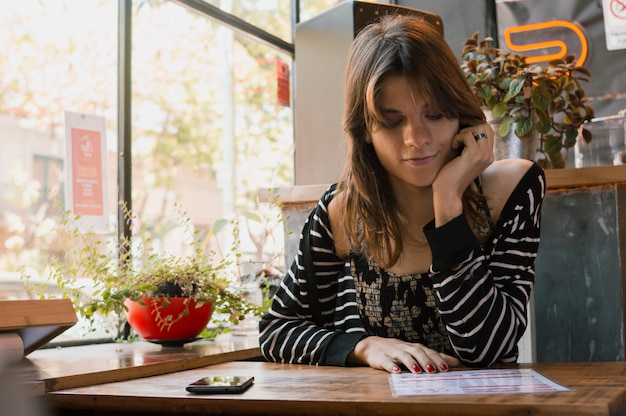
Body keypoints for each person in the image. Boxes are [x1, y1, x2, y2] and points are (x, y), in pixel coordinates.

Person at [259, 14, 545, 375]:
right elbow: (276, 330)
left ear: (461, 116)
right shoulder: (343, 211)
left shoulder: (511, 189)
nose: (417, 138)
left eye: (436, 114)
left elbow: (487, 347)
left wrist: (448, 203)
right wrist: (363, 347)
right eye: (393, 122)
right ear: (364, 130)